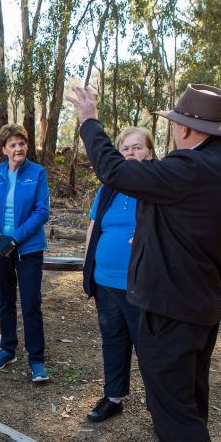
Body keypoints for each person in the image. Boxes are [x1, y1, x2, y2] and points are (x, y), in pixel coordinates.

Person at [68, 84, 221, 442]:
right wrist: (155, 240)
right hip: (202, 305)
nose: (172, 131)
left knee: (175, 415)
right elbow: (197, 233)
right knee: (187, 403)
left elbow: (115, 171)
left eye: (175, 124)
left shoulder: (188, 168)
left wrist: (89, 120)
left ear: (190, 130)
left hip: (169, 310)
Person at [83, 126, 156, 422]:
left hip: (142, 284)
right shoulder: (108, 187)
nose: (130, 153)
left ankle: (160, 409)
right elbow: (93, 227)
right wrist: (87, 268)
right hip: (105, 282)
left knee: (149, 347)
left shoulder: (157, 186)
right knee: (112, 339)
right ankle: (113, 397)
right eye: (125, 148)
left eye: (137, 148)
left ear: (150, 153)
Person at [0, 124, 51, 382]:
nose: (18, 148)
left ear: (26, 146)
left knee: (31, 303)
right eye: (12, 145)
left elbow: (42, 211)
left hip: (28, 249)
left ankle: (37, 360)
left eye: (22, 144)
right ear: (4, 149)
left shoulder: (37, 173)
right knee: (6, 301)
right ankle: (8, 349)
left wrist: (15, 238)